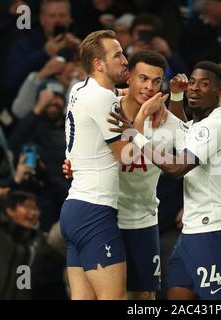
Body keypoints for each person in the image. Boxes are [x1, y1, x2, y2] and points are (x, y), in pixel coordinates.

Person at [62, 50, 221, 300]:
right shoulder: (105, 110)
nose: (149, 87)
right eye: (143, 78)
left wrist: (170, 102)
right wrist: (74, 164)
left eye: (156, 81)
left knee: (144, 298)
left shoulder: (167, 123)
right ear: (128, 77)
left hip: (144, 220)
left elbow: (198, 151)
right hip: (107, 218)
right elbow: (81, 141)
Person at [58, 29, 135, 300]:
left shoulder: (79, 89)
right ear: (98, 64)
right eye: (118, 55)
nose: (125, 60)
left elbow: (110, 99)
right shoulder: (103, 99)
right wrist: (140, 120)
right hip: (95, 210)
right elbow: (127, 158)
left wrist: (124, 97)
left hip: (74, 208)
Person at [0, 187, 67, 300]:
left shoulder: (37, 241)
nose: (33, 213)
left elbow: (25, 281)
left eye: (35, 208)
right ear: (10, 210)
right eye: (27, 207)